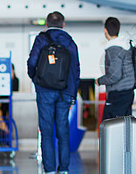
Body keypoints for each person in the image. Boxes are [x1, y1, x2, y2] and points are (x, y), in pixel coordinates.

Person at [27, 11, 80, 174]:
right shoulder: (70, 43)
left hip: (44, 91)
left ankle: (49, 170)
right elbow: (75, 70)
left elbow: (32, 61)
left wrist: (35, 79)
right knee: (63, 131)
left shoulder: (41, 39)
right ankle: (63, 169)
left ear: (47, 24)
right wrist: (72, 93)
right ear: (63, 25)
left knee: (47, 131)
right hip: (64, 92)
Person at [95, 17, 135, 121]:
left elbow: (115, 75)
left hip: (118, 93)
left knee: (110, 125)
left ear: (105, 31)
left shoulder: (114, 48)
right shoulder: (125, 45)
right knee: (124, 125)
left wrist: (100, 81)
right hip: (127, 91)